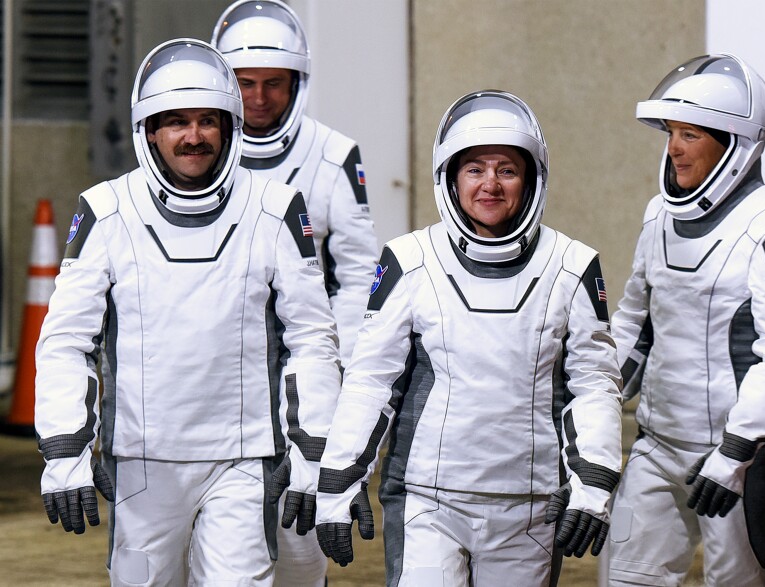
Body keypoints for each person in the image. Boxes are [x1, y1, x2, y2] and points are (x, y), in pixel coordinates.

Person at [34, 38, 341, 586]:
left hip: (245, 461)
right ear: (149, 130)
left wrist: (314, 451)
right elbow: (66, 342)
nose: (193, 136)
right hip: (141, 466)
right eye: (176, 121)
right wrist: (64, 447)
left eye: (207, 120)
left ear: (229, 127)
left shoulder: (275, 208)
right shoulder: (106, 210)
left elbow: (312, 339)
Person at [315, 90, 624, 586]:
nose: (490, 184)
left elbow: (594, 384)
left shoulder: (572, 265)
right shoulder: (409, 259)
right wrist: (339, 479)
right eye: (475, 169)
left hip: (530, 507)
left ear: (532, 179)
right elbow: (371, 379)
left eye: (507, 170)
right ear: (451, 178)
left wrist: (594, 481)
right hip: (427, 502)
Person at [607, 54, 765, 586]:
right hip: (658, 446)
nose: (674, 148)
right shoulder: (659, 215)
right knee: (627, 577)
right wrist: (595, 401)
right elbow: (634, 324)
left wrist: (735, 452)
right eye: (671, 133)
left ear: (733, 144)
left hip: (746, 461)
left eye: (691, 134)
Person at [210, 3, 379, 584]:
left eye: (273, 84)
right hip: (216, 376)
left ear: (296, 83)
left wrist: (341, 369)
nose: (258, 98)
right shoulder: (196, 152)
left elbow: (359, 276)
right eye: (245, 83)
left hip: (303, 375)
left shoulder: (333, 155)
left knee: (299, 542)